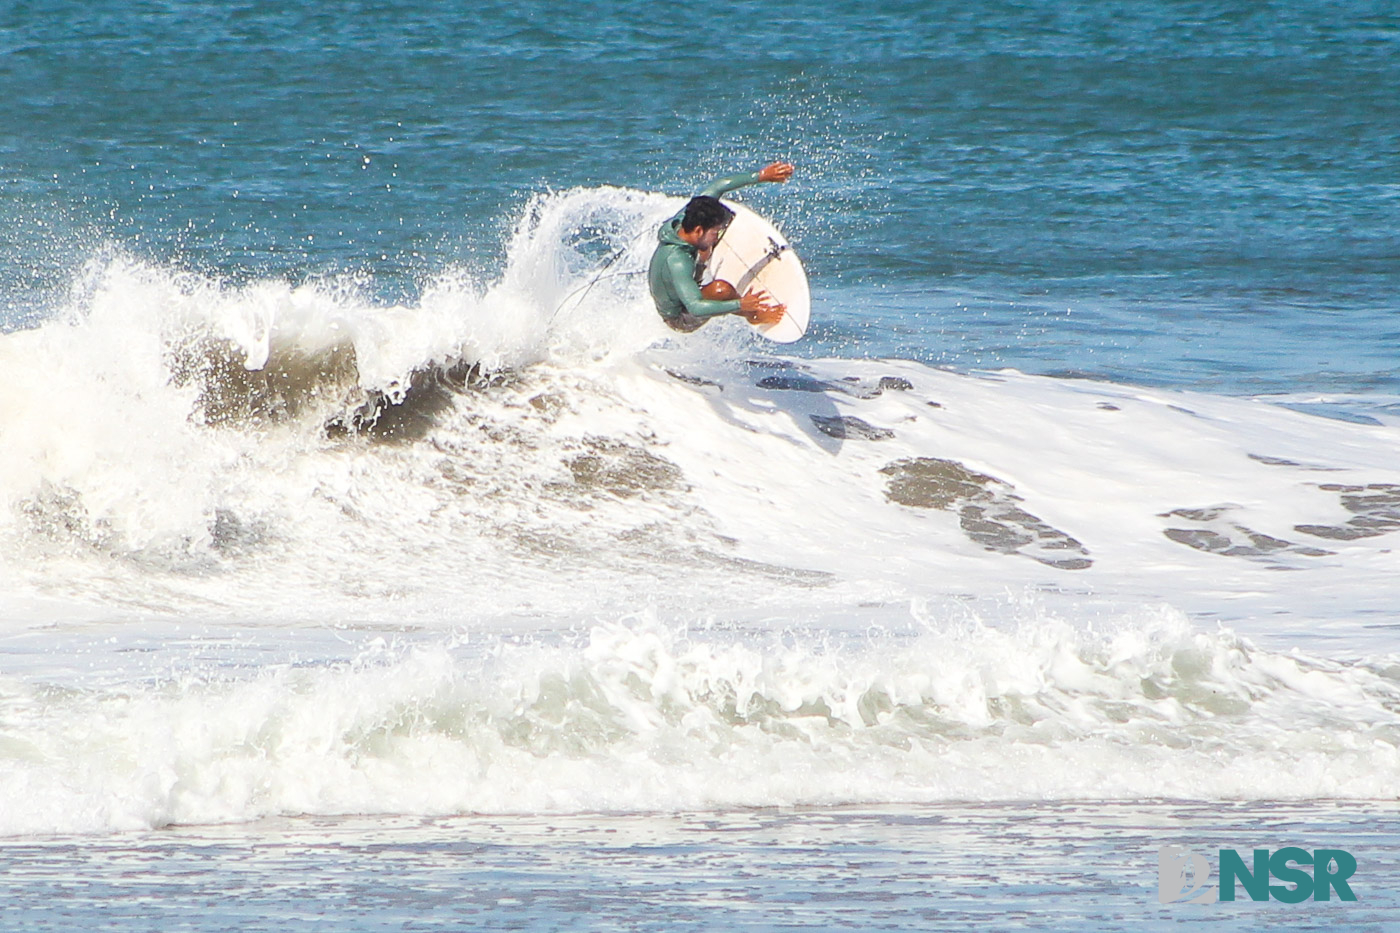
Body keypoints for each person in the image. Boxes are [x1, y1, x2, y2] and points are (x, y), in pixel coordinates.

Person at [648, 161, 794, 333]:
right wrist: (740, 304)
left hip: (682, 285)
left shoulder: (683, 220)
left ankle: (702, 259)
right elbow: (695, 307)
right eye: (714, 231)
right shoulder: (678, 262)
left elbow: (718, 187)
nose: (717, 235)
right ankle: (754, 316)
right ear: (698, 230)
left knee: (709, 242)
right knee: (721, 290)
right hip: (680, 317)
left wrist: (760, 176)